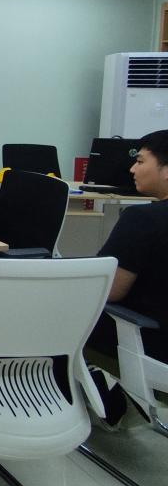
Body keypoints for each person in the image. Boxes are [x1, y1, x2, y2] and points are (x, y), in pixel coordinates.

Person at [88, 130, 168, 365]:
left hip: (149, 344)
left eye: (140, 161)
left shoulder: (142, 219)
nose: (132, 169)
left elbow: (109, 289)